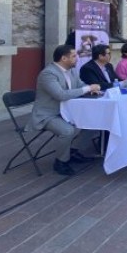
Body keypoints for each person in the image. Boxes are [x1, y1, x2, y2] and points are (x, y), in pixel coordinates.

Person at [31, 45, 101, 176]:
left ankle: (73, 150)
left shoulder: (72, 70)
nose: (77, 58)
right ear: (64, 58)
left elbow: (80, 85)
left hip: (68, 111)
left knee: (93, 123)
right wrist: (87, 89)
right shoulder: (48, 74)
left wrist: (91, 89)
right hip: (48, 114)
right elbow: (61, 95)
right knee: (67, 131)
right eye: (74, 56)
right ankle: (61, 162)